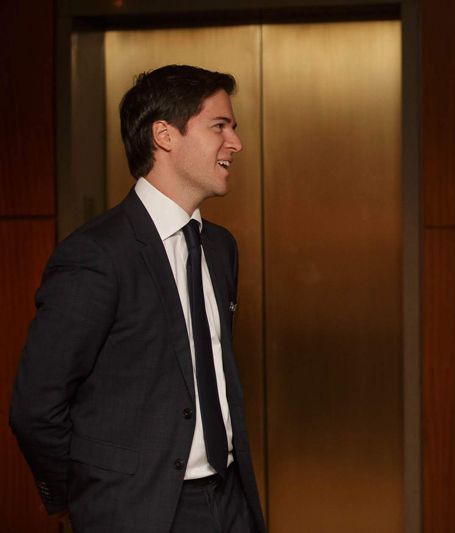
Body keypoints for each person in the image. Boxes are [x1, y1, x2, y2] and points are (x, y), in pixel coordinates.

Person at [10, 65, 266, 533]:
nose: (236, 143)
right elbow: (36, 406)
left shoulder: (221, 248)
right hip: (138, 512)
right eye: (219, 126)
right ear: (164, 135)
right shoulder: (96, 254)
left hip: (231, 502)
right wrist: (80, 498)